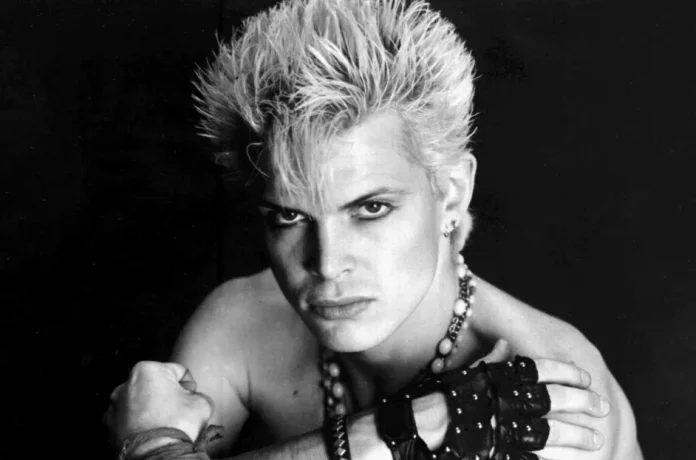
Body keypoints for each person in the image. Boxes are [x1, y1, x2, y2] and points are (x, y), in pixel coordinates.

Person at [105, 0, 642, 459]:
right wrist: (383, 435)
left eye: (371, 208)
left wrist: (157, 444)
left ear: (452, 193)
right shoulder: (241, 320)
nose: (326, 263)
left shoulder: (548, 392)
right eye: (289, 217)